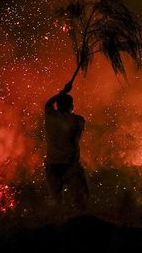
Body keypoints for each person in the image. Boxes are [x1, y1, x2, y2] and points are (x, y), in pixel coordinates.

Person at [43, 81, 89, 211]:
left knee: (57, 202)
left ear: (57, 106)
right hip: (70, 165)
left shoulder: (50, 116)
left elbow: (48, 103)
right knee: (81, 199)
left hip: (52, 165)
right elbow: (75, 140)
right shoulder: (78, 120)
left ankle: (58, 226)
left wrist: (63, 91)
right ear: (72, 106)